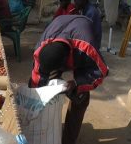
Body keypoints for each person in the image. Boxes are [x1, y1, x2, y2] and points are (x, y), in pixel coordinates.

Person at [29, 15, 108, 144]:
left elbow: (101, 72)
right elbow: (37, 75)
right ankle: (46, 130)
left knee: (80, 99)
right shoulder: (41, 48)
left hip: (80, 45)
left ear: (65, 64)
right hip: (61, 34)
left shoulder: (87, 48)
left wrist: (77, 83)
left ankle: (68, 140)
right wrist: (36, 97)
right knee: (40, 90)